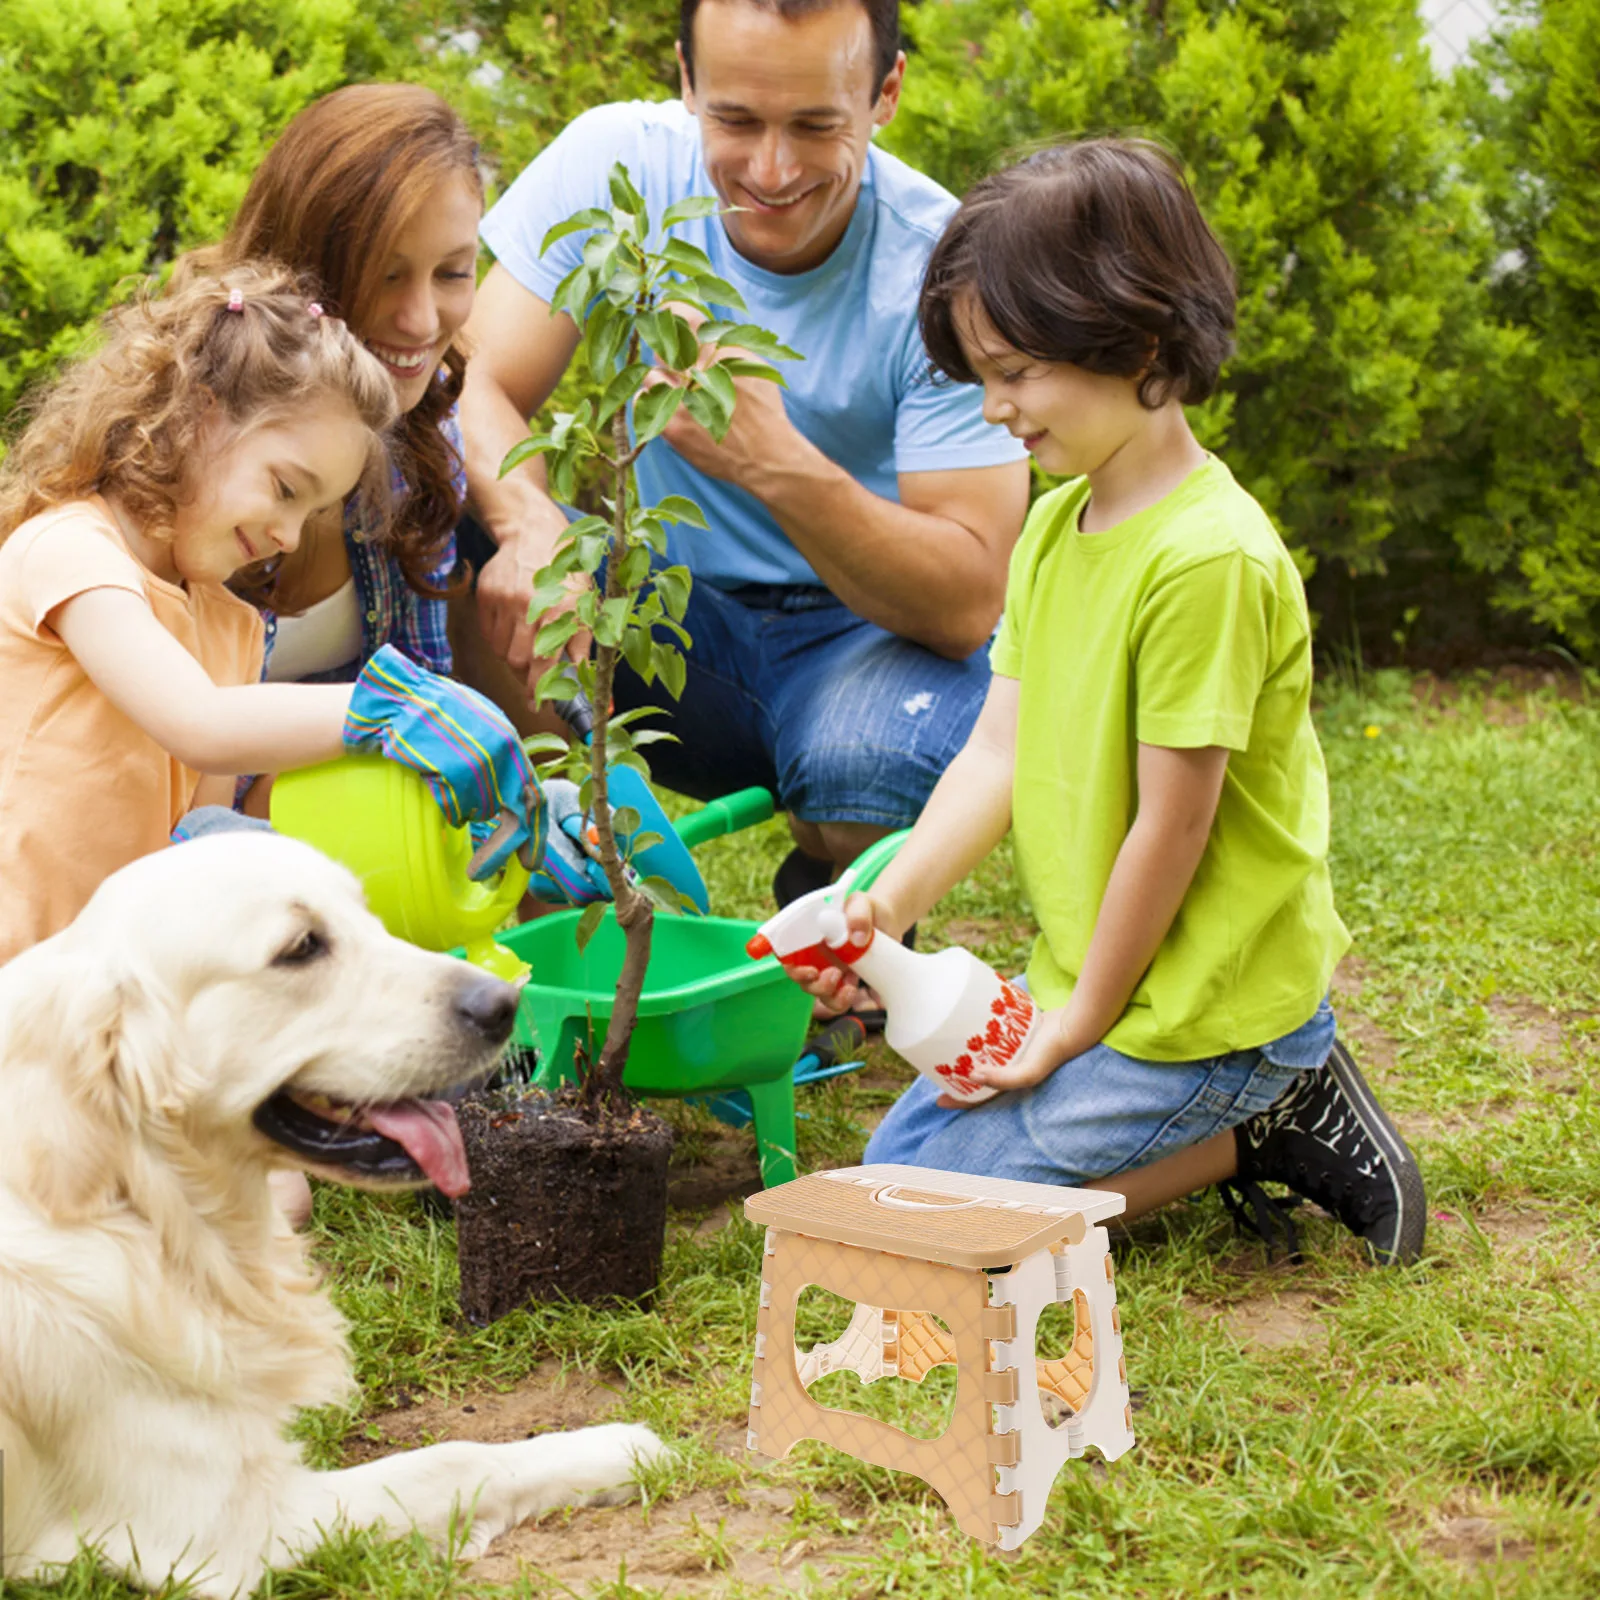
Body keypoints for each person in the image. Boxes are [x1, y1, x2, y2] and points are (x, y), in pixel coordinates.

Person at [791, 140, 1426, 1266]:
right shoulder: (1051, 528)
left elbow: (1169, 828)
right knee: (892, 1175)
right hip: (1104, 986)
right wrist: (888, 901)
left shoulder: (1206, 561)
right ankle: (1228, 1119)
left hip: (1209, 1015)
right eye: (980, 376)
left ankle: (1273, 1114)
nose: (994, 408)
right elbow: (995, 754)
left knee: (933, 1223)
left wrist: (1072, 1028)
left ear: (1134, 342)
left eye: (1016, 372)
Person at [454, 0, 1031, 907]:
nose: (771, 170)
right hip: (666, 607)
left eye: (814, 126)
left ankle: (835, 891)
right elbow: (473, 381)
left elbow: (966, 603)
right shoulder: (617, 169)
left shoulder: (946, 267)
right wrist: (528, 526)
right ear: (687, 80)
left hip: (873, 632)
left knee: (863, 772)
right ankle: (567, 895)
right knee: (462, 528)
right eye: (735, 120)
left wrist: (770, 460)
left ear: (885, 93)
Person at [0, 261, 546, 974]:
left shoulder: (231, 626)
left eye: (312, 513)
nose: (290, 536)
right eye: (286, 489)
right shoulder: (71, 550)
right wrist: (395, 707)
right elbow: (198, 723)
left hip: (114, 990)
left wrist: (461, 832)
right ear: (197, 416)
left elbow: (201, 842)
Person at [202, 85, 480, 739]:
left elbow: (420, 690)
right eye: (386, 274)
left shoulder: (423, 441)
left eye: (451, 273)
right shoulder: (194, 436)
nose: (421, 321)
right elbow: (159, 738)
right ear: (304, 263)